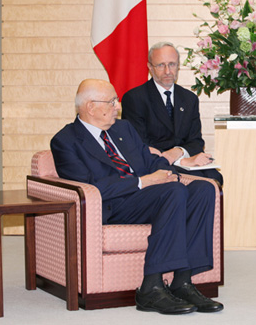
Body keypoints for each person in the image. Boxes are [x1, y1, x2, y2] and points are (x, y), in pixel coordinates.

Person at [51, 79, 224, 315]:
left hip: (147, 197)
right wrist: (143, 181)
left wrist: (172, 171)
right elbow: (91, 187)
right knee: (172, 192)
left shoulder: (123, 129)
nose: (117, 106)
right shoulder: (66, 141)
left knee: (202, 189)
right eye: (111, 102)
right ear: (90, 107)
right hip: (112, 205)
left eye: (116, 101)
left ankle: (182, 282)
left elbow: (150, 160)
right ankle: (150, 288)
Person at [122, 41, 223, 185]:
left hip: (184, 162)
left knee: (215, 178)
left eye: (172, 64)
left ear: (178, 66)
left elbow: (196, 142)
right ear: (150, 67)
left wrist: (179, 151)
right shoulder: (135, 98)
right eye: (161, 65)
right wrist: (181, 159)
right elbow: (139, 145)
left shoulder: (189, 99)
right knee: (201, 184)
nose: (168, 71)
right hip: (154, 166)